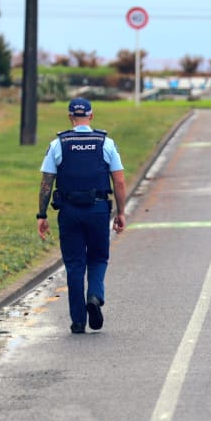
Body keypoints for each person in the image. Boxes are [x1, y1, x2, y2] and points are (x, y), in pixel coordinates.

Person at [37, 98, 126, 334]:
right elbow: (118, 180)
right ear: (91, 116)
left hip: (69, 211)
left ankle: (78, 321)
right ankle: (94, 296)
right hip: (98, 210)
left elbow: (47, 182)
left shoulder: (58, 144)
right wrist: (121, 212)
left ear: (70, 117)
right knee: (98, 258)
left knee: (75, 265)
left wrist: (42, 214)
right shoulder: (106, 143)